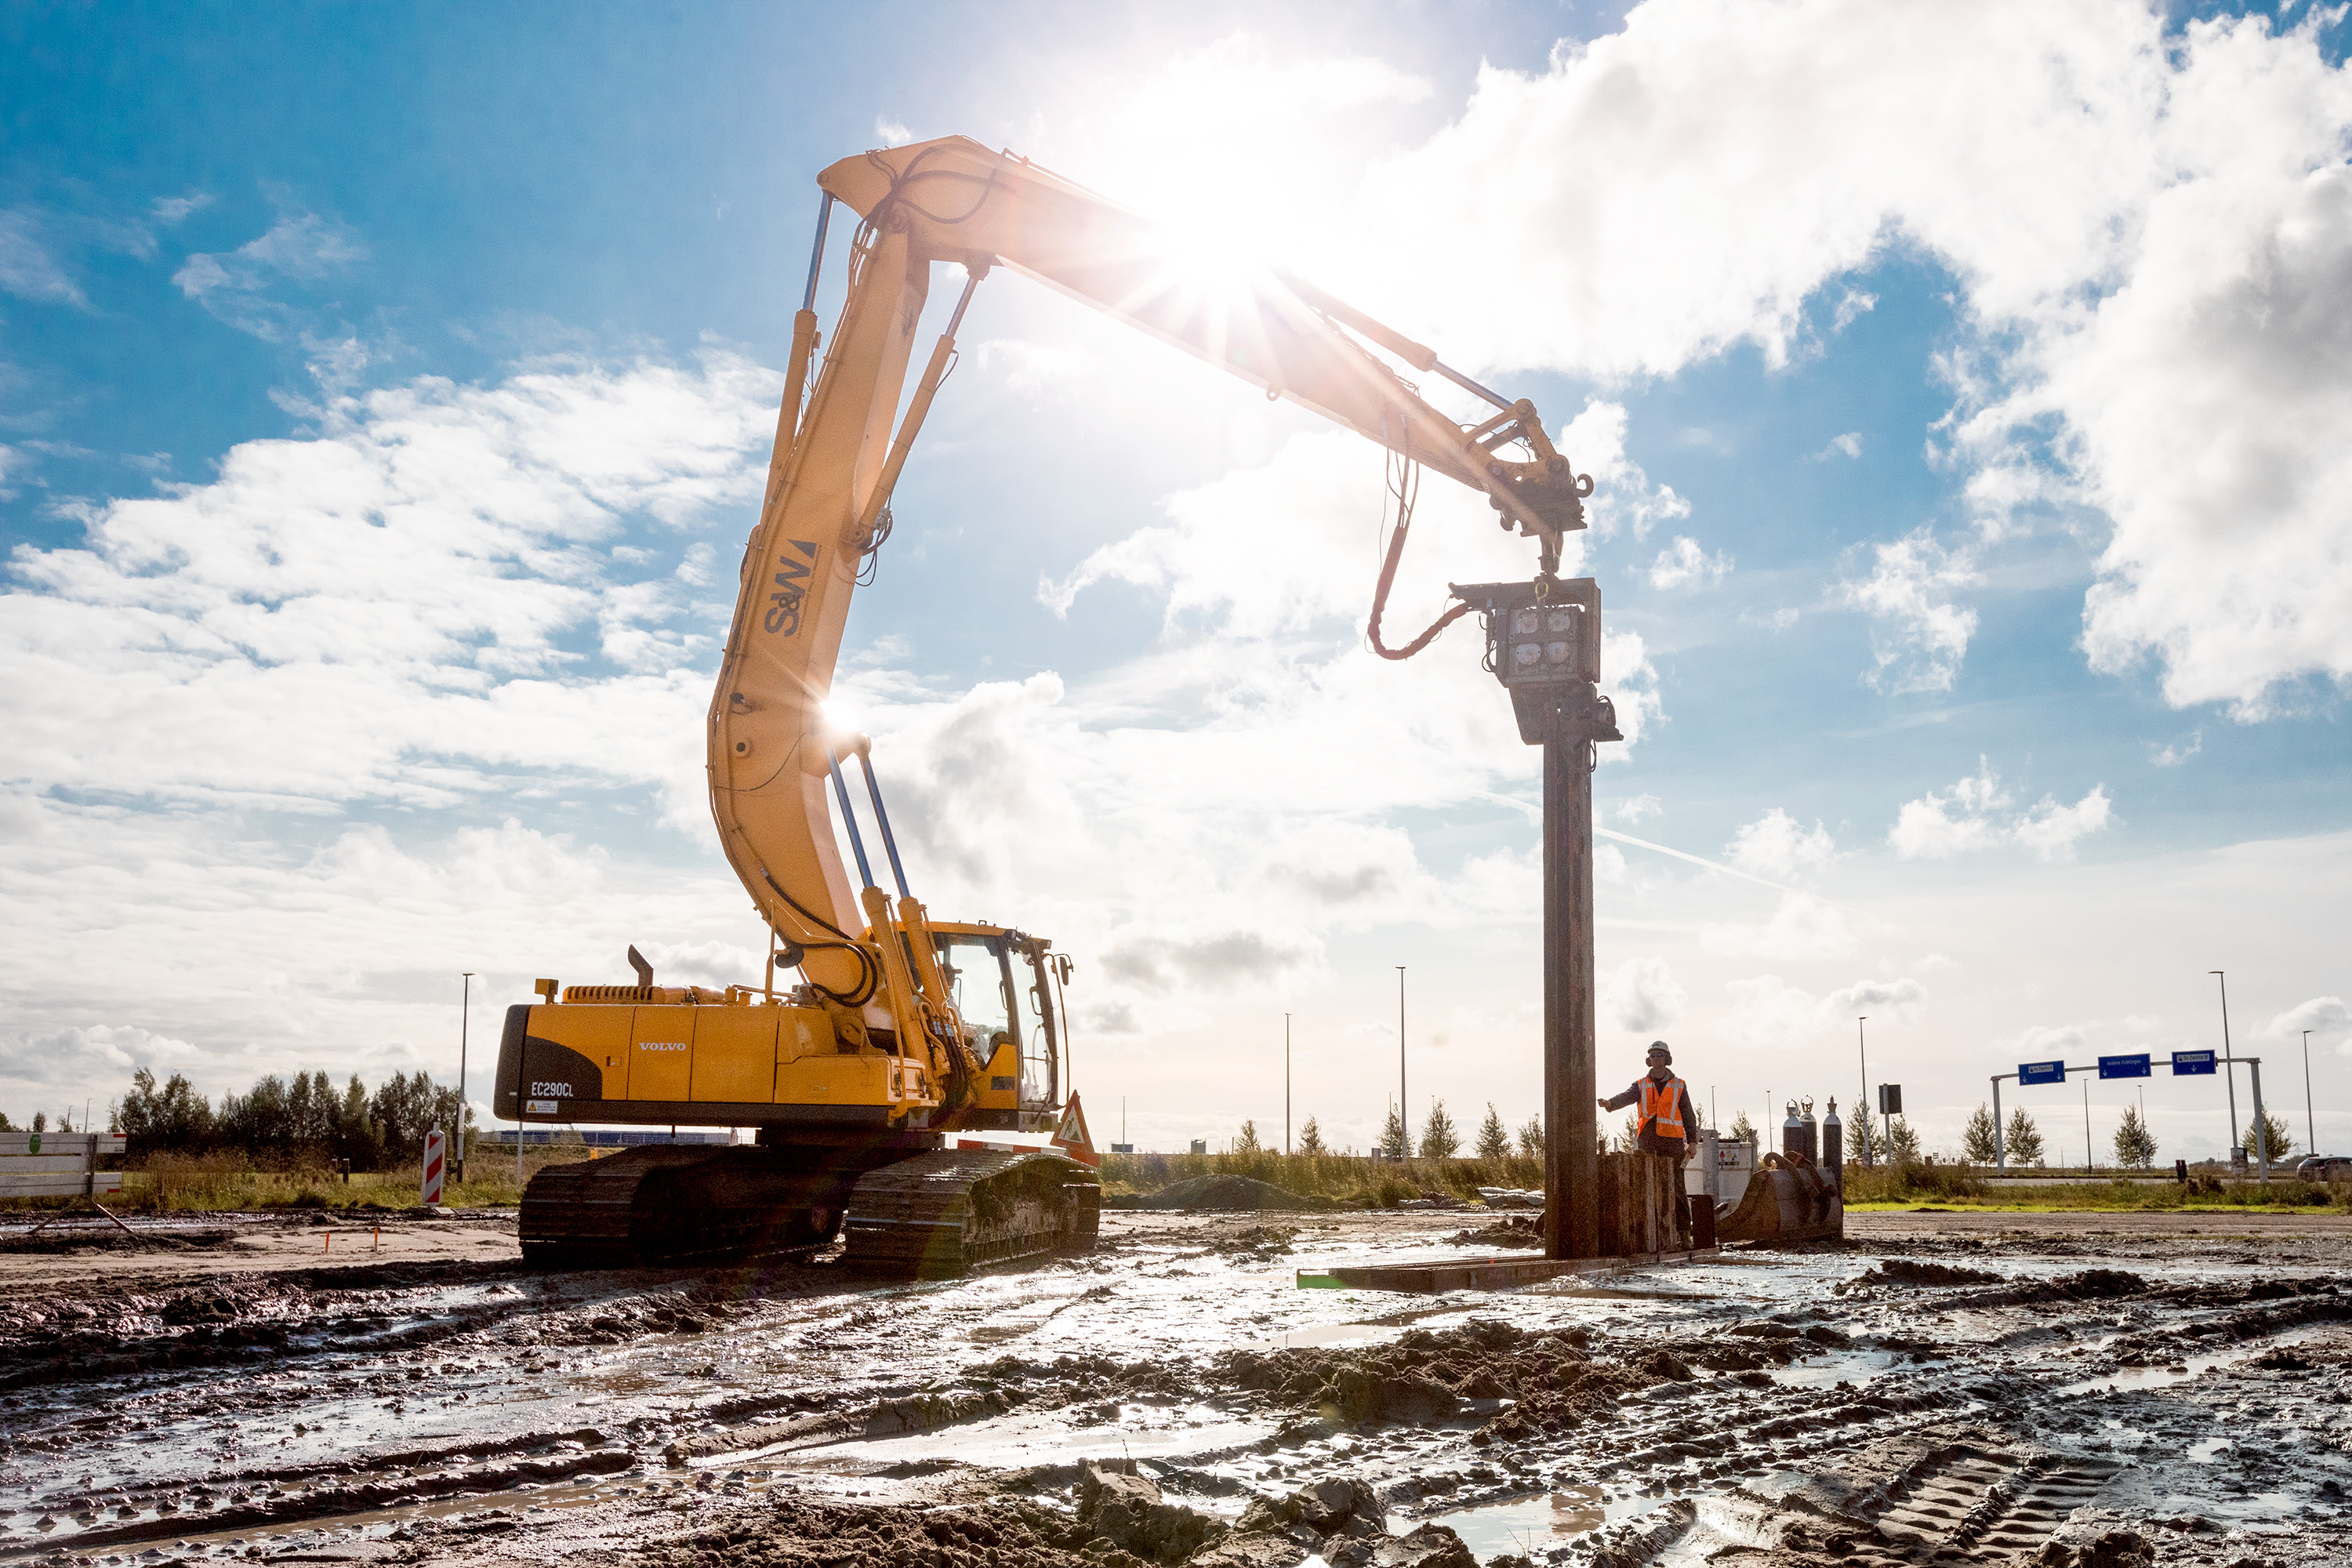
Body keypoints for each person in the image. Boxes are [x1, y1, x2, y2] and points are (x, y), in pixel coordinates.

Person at [1599, 1041, 1697, 1163]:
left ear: (1666, 1058)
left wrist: (1692, 1142)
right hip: (1648, 1140)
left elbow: (1688, 1115)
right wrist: (1610, 1103)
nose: (1656, 1058)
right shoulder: (1641, 1084)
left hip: (1672, 1142)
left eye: (1659, 1055)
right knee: (1647, 1179)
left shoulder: (1679, 1085)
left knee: (1675, 1180)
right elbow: (1626, 1097)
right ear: (1649, 1060)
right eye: (1653, 1056)